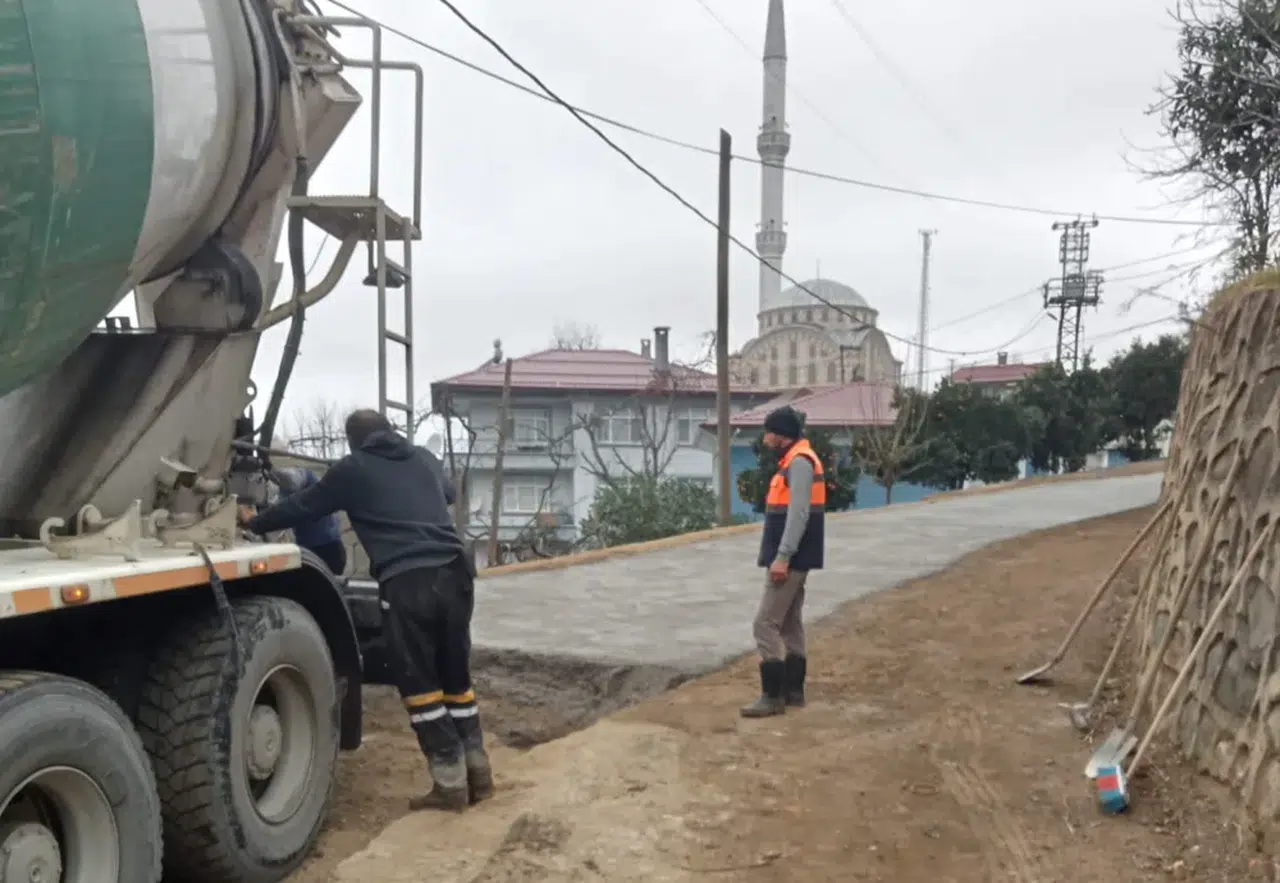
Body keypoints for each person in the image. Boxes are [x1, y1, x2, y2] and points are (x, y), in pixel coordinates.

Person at [239, 409, 491, 811]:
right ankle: (479, 774)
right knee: (456, 677)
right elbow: (447, 492)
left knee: (421, 685)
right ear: (388, 431)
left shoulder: (352, 469)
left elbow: (305, 506)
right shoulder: (422, 459)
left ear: (354, 441)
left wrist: (255, 522)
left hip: (409, 581)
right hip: (458, 575)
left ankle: (450, 785)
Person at [741, 405, 826, 718]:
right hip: (794, 558)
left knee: (764, 624)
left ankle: (772, 696)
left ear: (781, 435)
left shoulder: (800, 463)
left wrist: (783, 557)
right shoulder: (794, 461)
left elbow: (799, 514)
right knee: (790, 623)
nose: (765, 438)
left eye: (769, 432)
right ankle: (793, 693)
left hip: (790, 559)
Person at [270, 466, 347, 575]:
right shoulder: (286, 493)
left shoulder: (308, 480)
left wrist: (271, 471)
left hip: (327, 549)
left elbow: (291, 479)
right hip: (311, 549)